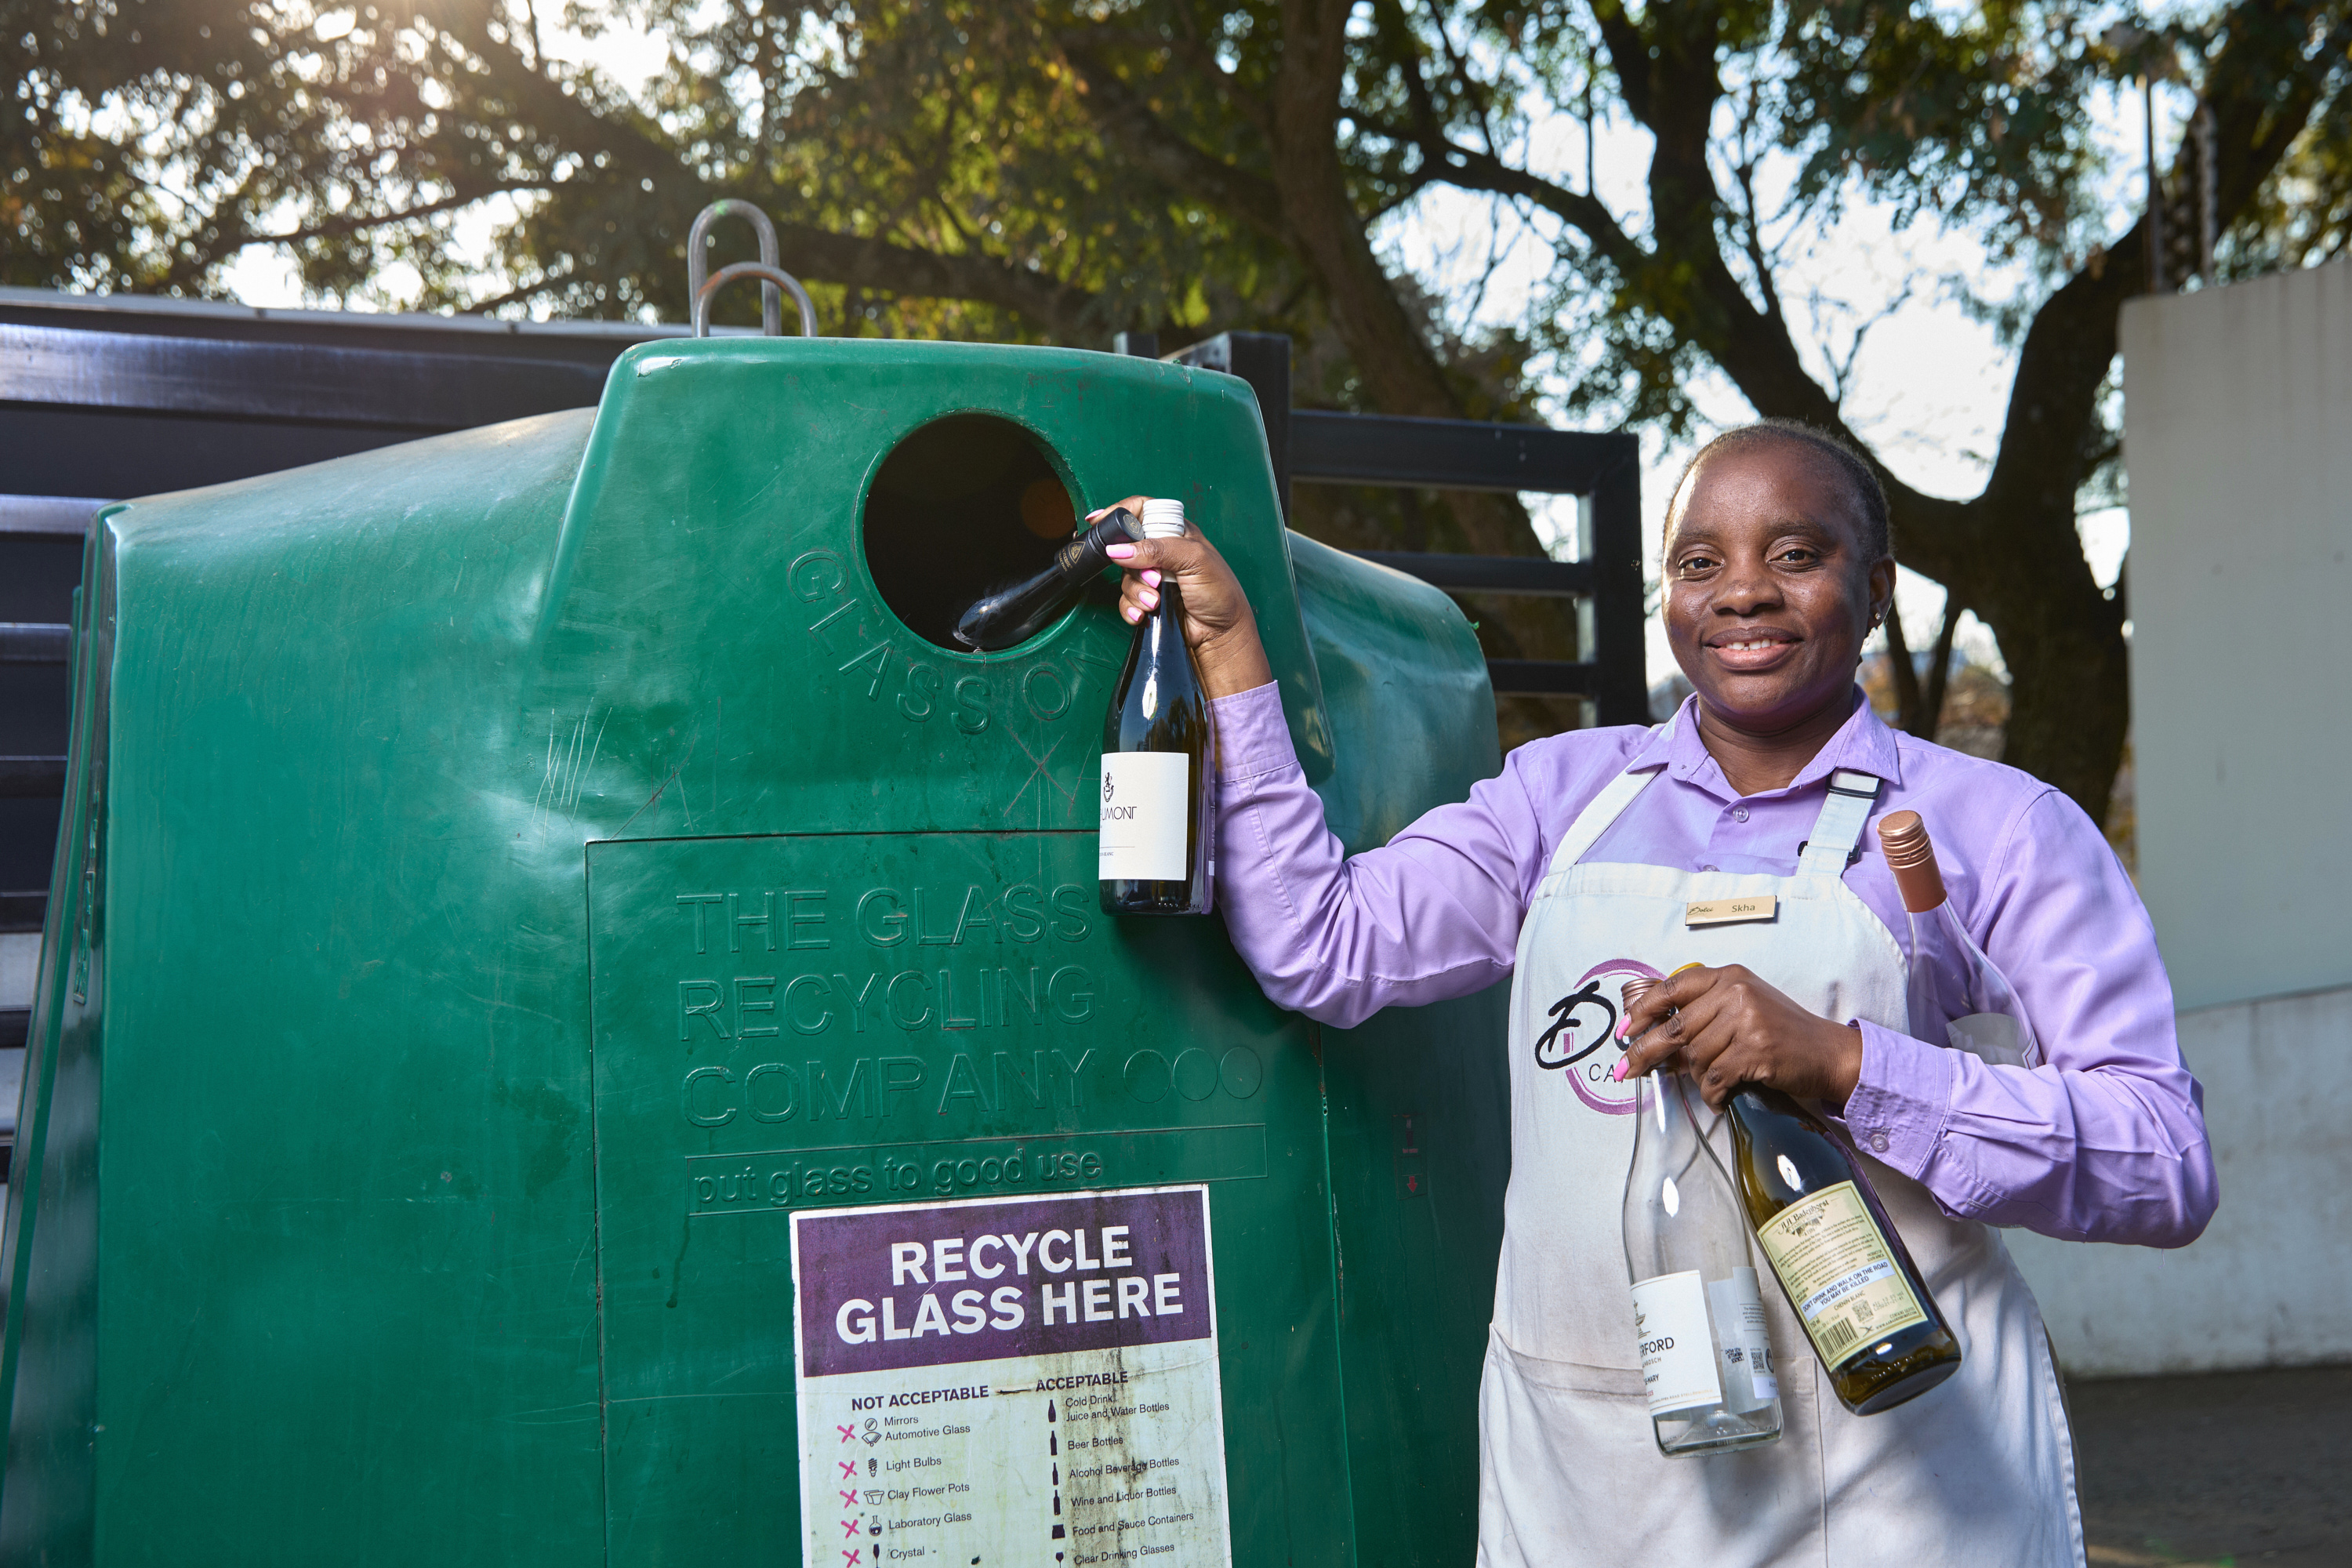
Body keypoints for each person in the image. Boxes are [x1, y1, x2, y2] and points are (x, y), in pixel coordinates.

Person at [1092, 421, 2216, 1567]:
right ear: (1664, 593)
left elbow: (2164, 1160)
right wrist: (1229, 650)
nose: (1741, 594)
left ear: (1875, 589)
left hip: (1891, 1482)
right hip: (1584, 1480)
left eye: (1794, 555)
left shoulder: (1999, 828)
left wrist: (1846, 1063)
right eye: (1699, 562)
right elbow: (1319, 946)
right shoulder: (1558, 799)